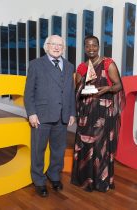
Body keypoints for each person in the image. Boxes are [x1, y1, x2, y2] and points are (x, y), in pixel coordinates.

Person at [71, 35, 125, 192]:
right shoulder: (82, 67)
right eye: (87, 46)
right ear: (84, 48)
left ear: (99, 46)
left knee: (101, 145)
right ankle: (85, 179)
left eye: (94, 45)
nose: (91, 48)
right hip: (86, 112)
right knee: (85, 145)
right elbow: (78, 89)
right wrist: (83, 91)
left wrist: (107, 88)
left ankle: (101, 181)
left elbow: (119, 86)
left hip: (103, 113)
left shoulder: (108, 63)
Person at [24, 35, 75, 197]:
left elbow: (70, 92)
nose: (56, 47)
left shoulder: (68, 66)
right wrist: (31, 113)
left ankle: (54, 175)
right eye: (53, 44)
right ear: (46, 47)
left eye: (60, 45)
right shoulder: (35, 65)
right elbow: (28, 92)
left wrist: (72, 112)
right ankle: (39, 180)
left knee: (58, 150)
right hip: (41, 115)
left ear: (64, 48)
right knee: (38, 150)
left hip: (62, 116)